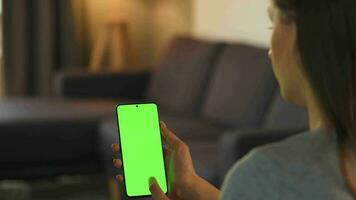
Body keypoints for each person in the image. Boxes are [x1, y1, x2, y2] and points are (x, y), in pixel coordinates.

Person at [112, 0, 356, 199]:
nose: (269, 49)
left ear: (303, 34)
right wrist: (192, 185)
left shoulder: (267, 173)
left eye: (273, 24)